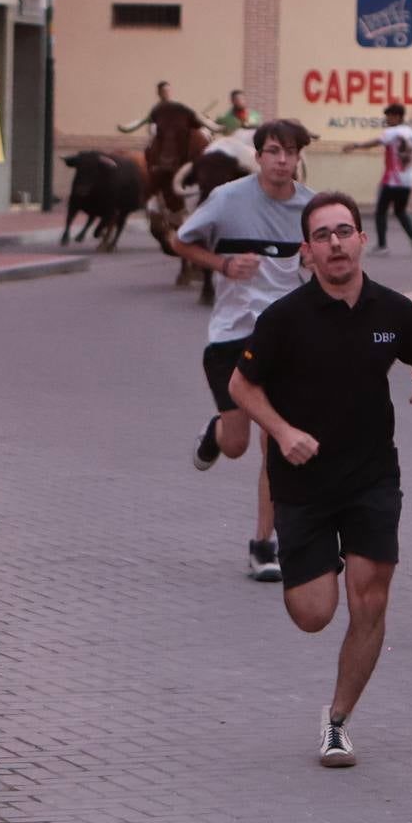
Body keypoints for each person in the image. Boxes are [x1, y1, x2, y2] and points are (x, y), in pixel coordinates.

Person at [229, 192, 412, 767]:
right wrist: (283, 433)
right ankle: (319, 564)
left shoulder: (393, 312)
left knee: (371, 601)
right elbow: (241, 387)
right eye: (323, 235)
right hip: (303, 482)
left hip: (371, 479)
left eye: (345, 231)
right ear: (307, 252)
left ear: (361, 240)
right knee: (313, 614)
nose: (335, 243)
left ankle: (337, 722)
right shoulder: (284, 319)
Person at [177, 119, 316, 581]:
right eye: (274, 151)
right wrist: (221, 263)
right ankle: (215, 432)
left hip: (286, 345)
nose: (282, 160)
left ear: (299, 158)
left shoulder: (312, 208)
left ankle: (263, 545)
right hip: (231, 339)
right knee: (236, 443)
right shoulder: (228, 199)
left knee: (274, 443)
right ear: (258, 156)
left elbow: (337, 263)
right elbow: (180, 239)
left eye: (290, 152)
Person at [347, 104, 412, 256]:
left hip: (392, 180)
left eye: (389, 116)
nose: (387, 120)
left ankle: (382, 245)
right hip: (408, 181)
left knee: (381, 211)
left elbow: (375, 142)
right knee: (401, 211)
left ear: (397, 117)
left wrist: (356, 145)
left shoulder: (391, 132)